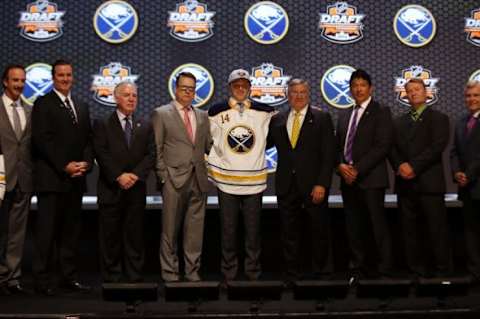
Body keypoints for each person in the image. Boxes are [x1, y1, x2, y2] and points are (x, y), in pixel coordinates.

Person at [31, 59, 93, 295]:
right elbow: (42, 141)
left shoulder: (81, 105)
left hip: (76, 180)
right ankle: (42, 280)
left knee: (70, 233)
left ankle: (68, 277)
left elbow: (88, 139)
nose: (65, 79)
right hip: (52, 180)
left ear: (73, 77)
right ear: (53, 78)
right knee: (46, 233)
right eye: (60, 75)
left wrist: (84, 164)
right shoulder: (42, 104)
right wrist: (64, 166)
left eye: (68, 75)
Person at [208, 69, 275, 282]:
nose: (240, 89)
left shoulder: (265, 112)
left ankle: (252, 273)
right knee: (228, 231)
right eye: (236, 85)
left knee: (253, 232)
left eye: (244, 85)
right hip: (226, 182)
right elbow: (208, 142)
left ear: (250, 88)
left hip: (253, 183)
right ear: (229, 87)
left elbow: (270, 140)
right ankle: (229, 274)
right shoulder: (215, 112)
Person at [267, 78, 336, 286]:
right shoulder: (277, 119)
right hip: (286, 184)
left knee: (319, 230)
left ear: (308, 94)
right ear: (288, 95)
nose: (298, 96)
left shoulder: (322, 118)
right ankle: (292, 274)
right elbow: (263, 143)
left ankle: (322, 273)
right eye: (294, 92)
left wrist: (322, 184)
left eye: (302, 92)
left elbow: (328, 154)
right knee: (289, 232)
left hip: (313, 185)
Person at [152, 72, 212, 282]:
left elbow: (208, 146)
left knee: (195, 232)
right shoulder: (161, 114)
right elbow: (157, 148)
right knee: (169, 230)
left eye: (192, 89)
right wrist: (163, 176)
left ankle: (192, 271)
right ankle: (170, 273)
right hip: (173, 180)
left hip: (198, 179)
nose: (188, 92)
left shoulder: (203, 116)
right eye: (184, 88)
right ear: (176, 89)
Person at [93, 82, 155, 283]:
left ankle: (134, 276)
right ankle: (112, 277)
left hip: (136, 190)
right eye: (127, 95)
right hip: (111, 189)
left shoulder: (145, 124)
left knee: (134, 236)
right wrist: (119, 175)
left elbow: (151, 154)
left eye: (134, 95)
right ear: (115, 98)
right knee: (110, 238)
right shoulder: (102, 123)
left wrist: (135, 175)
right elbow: (101, 153)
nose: (131, 99)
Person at [390, 78, 451, 278]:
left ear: (426, 93)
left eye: (417, 89)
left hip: (429, 183)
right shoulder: (398, 121)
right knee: (409, 232)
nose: (414, 93)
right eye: (410, 90)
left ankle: (441, 271)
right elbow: (392, 148)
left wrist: (413, 166)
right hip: (405, 184)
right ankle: (414, 271)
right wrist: (400, 165)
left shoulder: (440, 118)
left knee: (436, 230)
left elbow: (436, 148)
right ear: (405, 95)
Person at [336, 69, 394, 280]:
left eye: (362, 85)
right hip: (347, 181)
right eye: (354, 85)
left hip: (371, 179)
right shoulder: (344, 115)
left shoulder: (381, 111)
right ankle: (357, 266)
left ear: (371, 88)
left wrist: (357, 169)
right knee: (353, 226)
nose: (358, 89)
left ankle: (383, 268)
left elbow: (382, 145)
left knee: (376, 225)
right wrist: (341, 166)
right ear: (350, 90)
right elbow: (336, 147)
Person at [0, 64, 32, 295]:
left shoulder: (29, 110)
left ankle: (12, 278)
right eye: (15, 80)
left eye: (22, 80)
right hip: (0, 180)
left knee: (17, 233)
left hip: (22, 180)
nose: (19, 84)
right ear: (5, 82)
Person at [450, 80, 480, 283]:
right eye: (468, 96)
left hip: (477, 182)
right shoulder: (461, 121)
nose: (472, 99)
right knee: (471, 232)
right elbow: (454, 153)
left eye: (476, 95)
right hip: (467, 188)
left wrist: (468, 174)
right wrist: (457, 173)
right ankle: (475, 272)